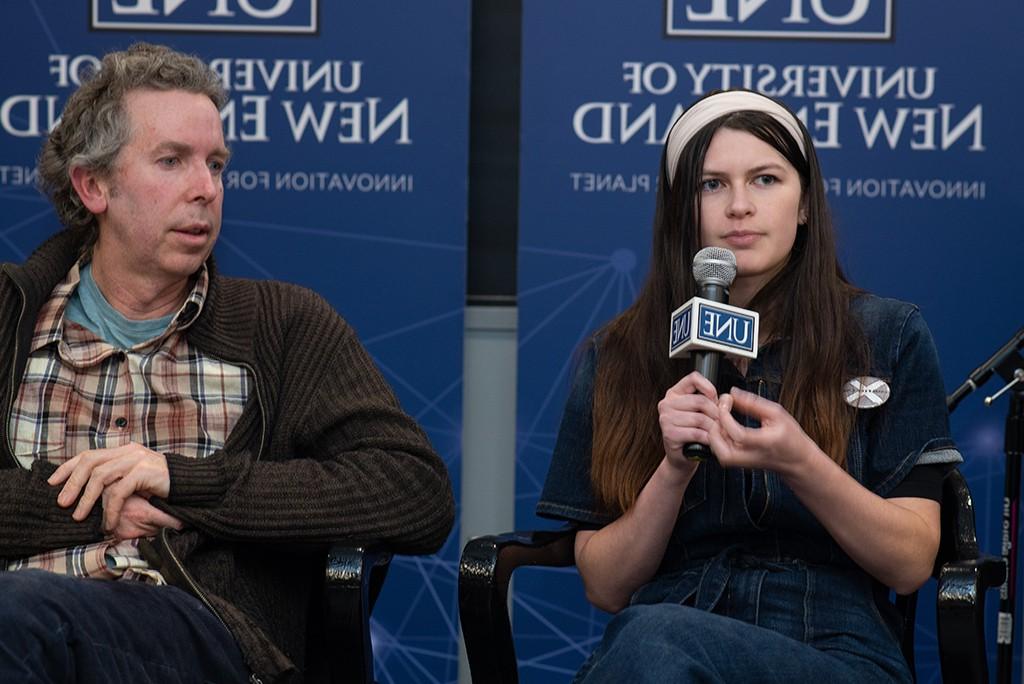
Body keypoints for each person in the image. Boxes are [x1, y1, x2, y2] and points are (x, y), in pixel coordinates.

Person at [0, 42, 454, 683]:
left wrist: (183, 484)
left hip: (191, 634)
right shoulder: (9, 317)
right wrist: (90, 506)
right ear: (93, 185)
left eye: (215, 164)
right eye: (171, 161)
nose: (205, 189)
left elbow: (415, 492)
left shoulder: (283, 325)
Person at [537, 89, 959, 682]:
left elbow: (912, 562)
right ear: (684, 210)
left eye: (765, 179)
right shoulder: (620, 355)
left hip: (833, 648)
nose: (739, 206)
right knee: (651, 640)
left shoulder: (888, 336)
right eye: (712, 185)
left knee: (650, 640)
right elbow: (605, 587)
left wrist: (800, 463)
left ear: (805, 204)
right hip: (659, 638)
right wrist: (673, 471)